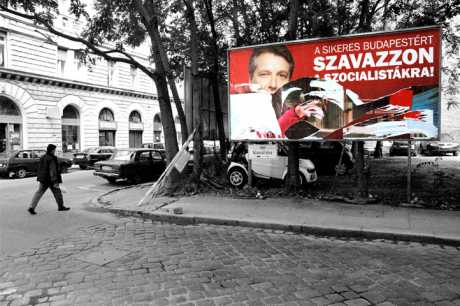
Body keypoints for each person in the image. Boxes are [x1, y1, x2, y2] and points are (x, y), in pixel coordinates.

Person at [28, 144, 70, 215]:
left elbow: (40, 168)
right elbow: (52, 170)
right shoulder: (52, 158)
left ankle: (31, 207)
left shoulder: (43, 157)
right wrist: (55, 181)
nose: (55, 151)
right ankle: (61, 206)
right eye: (54, 150)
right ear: (52, 150)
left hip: (43, 179)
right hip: (50, 179)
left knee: (39, 193)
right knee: (57, 193)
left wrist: (40, 177)